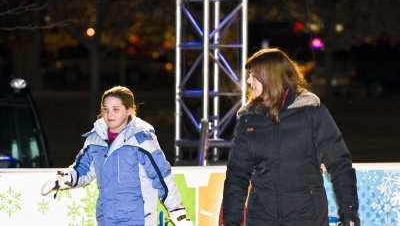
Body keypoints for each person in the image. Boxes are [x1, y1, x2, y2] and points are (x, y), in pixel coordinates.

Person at [222, 48, 360, 226]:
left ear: (269, 77)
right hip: (262, 218)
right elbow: (237, 174)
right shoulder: (248, 118)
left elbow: (340, 164)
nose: (249, 81)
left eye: (254, 76)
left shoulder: (311, 112)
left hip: (307, 217)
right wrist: (232, 221)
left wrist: (349, 215)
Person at [41, 86, 193, 226]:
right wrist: (63, 179)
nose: (109, 114)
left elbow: (161, 175)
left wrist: (177, 212)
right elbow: (83, 169)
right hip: (107, 219)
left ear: (129, 110)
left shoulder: (141, 139)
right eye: (105, 109)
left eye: (116, 109)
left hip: (138, 219)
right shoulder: (95, 139)